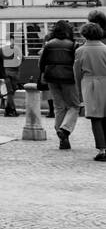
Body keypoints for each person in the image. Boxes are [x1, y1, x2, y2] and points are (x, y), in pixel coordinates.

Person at [37, 19, 79, 149]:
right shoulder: (72, 45)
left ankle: (62, 138)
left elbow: (41, 63)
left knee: (59, 107)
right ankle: (65, 129)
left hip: (52, 79)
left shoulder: (49, 44)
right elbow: (76, 63)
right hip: (68, 78)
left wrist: (45, 72)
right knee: (74, 106)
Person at [74, 22, 106, 161]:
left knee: (95, 118)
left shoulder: (80, 51)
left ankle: (102, 149)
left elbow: (77, 72)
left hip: (90, 84)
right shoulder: (105, 49)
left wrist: (78, 90)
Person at [0, 40, 22, 117]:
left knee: (10, 92)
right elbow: (22, 59)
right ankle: (12, 111)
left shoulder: (2, 50)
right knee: (11, 92)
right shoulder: (17, 49)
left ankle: (9, 111)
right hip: (15, 74)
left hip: (6, 73)